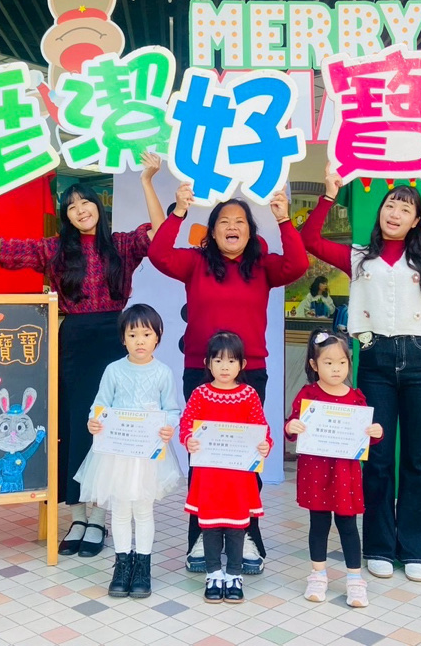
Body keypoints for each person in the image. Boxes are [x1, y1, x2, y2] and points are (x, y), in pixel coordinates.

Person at [0, 152, 166, 558]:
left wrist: (147, 181)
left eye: (86, 202)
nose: (80, 210)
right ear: (66, 215)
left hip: (115, 341)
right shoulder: (55, 250)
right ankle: (78, 515)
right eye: (71, 206)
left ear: (98, 206)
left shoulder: (121, 244)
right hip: (75, 341)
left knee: (109, 426)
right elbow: (4, 250)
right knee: (77, 426)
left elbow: (160, 235)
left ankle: (99, 518)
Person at [300, 162, 421, 582]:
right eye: (390, 205)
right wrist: (328, 194)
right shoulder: (358, 257)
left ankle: (416, 548)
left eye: (405, 208)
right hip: (375, 359)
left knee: (418, 459)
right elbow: (310, 239)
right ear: (380, 213)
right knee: (378, 457)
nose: (394, 213)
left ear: (416, 221)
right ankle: (379, 546)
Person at [148, 184, 308, 573]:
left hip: (250, 374)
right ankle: (199, 537)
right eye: (223, 221)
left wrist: (285, 220)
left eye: (240, 222)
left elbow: (298, 265)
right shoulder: (195, 263)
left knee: (246, 456)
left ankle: (248, 535)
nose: (232, 227)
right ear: (212, 230)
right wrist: (179, 210)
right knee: (202, 455)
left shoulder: (263, 266)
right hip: (200, 374)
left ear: (250, 231)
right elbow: (159, 254)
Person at [75, 304, 181, 598]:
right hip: (116, 454)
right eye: (132, 335)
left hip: (147, 456)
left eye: (146, 334)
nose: (140, 341)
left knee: (143, 510)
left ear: (158, 336)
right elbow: (100, 404)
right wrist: (94, 421)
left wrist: (169, 426)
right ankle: (122, 566)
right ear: (123, 338)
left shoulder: (163, 372)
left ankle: (143, 567)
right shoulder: (114, 370)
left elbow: (172, 409)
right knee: (120, 510)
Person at [285, 329, 383, 607]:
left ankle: (355, 580)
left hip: (345, 474)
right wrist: (291, 427)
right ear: (314, 365)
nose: (336, 368)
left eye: (342, 362)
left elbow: (367, 438)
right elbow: (291, 426)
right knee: (318, 524)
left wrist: (375, 433)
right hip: (315, 472)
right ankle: (318, 575)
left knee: (348, 525)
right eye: (328, 362)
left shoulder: (356, 398)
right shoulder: (308, 395)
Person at [180, 332, 272, 603]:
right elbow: (187, 424)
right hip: (209, 476)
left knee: (236, 526)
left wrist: (264, 444)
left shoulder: (249, 395)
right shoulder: (200, 394)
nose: (224, 367)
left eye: (231, 361)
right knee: (209, 526)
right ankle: (213, 574)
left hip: (238, 478)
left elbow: (261, 428)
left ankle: (234, 575)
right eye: (218, 360)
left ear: (242, 365)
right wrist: (189, 439)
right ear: (207, 363)